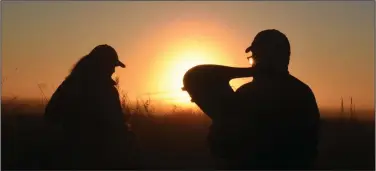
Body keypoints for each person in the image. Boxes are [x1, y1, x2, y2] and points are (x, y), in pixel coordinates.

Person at [207, 29, 321, 169]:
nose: (254, 63)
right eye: (253, 58)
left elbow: (221, 147)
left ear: (274, 58)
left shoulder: (246, 94)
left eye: (257, 57)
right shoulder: (302, 92)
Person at [43, 44, 135, 169]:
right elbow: (116, 126)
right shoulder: (106, 90)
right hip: (96, 157)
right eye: (112, 66)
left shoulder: (70, 84)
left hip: (68, 155)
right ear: (102, 65)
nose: (113, 70)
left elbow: (50, 115)